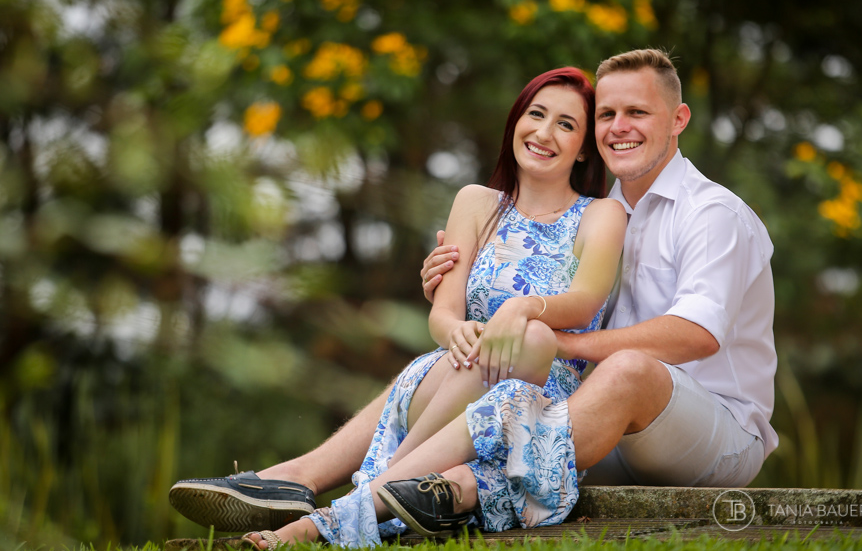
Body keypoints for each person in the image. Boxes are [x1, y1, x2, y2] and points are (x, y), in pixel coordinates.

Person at [172, 48, 777, 544]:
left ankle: (348, 508)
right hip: (606, 424)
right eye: (608, 113)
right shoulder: (615, 207)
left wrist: (541, 331)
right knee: (467, 374)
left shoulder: (710, 213)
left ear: (678, 119)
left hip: (713, 425)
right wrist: (453, 286)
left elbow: (696, 335)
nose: (619, 126)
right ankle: (324, 484)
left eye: (637, 113)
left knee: (621, 370)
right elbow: (495, 293)